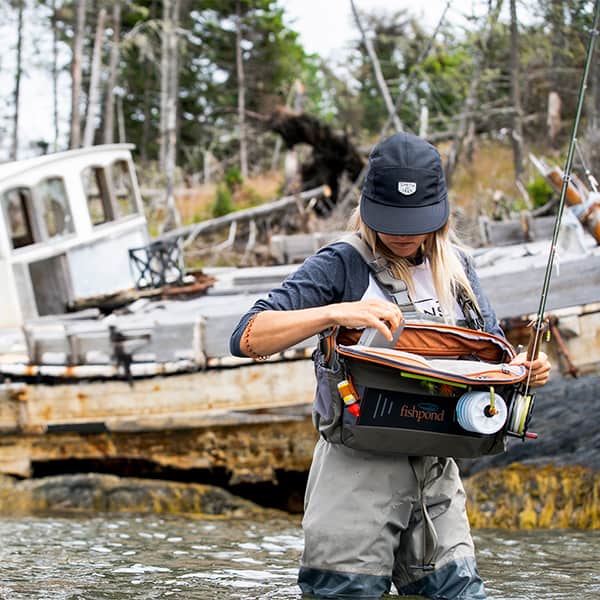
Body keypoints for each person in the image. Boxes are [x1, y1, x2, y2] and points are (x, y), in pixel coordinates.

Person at [229, 132, 551, 599]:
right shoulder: (342, 264)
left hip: (437, 474)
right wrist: (333, 313)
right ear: (367, 209)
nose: (401, 233)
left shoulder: (459, 269)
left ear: (439, 216)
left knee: (461, 593)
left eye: (414, 222)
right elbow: (246, 336)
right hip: (354, 477)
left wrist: (523, 370)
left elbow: (492, 355)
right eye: (390, 221)